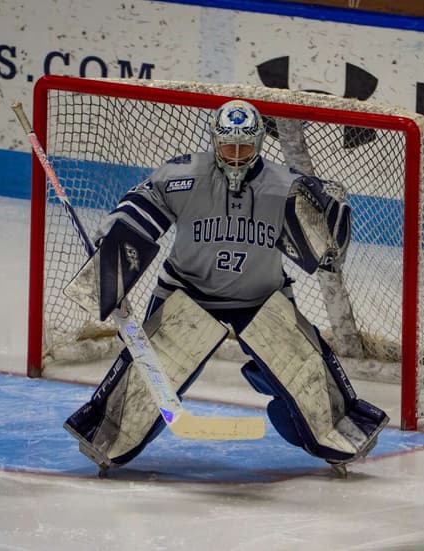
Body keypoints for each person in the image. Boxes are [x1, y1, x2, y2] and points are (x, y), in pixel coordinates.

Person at [62, 99, 389, 475]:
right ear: (214, 141)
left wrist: (330, 219)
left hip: (262, 298)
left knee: (309, 372)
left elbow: (329, 253)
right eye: (228, 147)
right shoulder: (182, 176)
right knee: (146, 378)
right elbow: (140, 209)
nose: (235, 157)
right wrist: (113, 253)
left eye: (244, 147)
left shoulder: (284, 187)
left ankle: (337, 432)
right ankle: (109, 435)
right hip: (187, 293)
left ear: (259, 144)